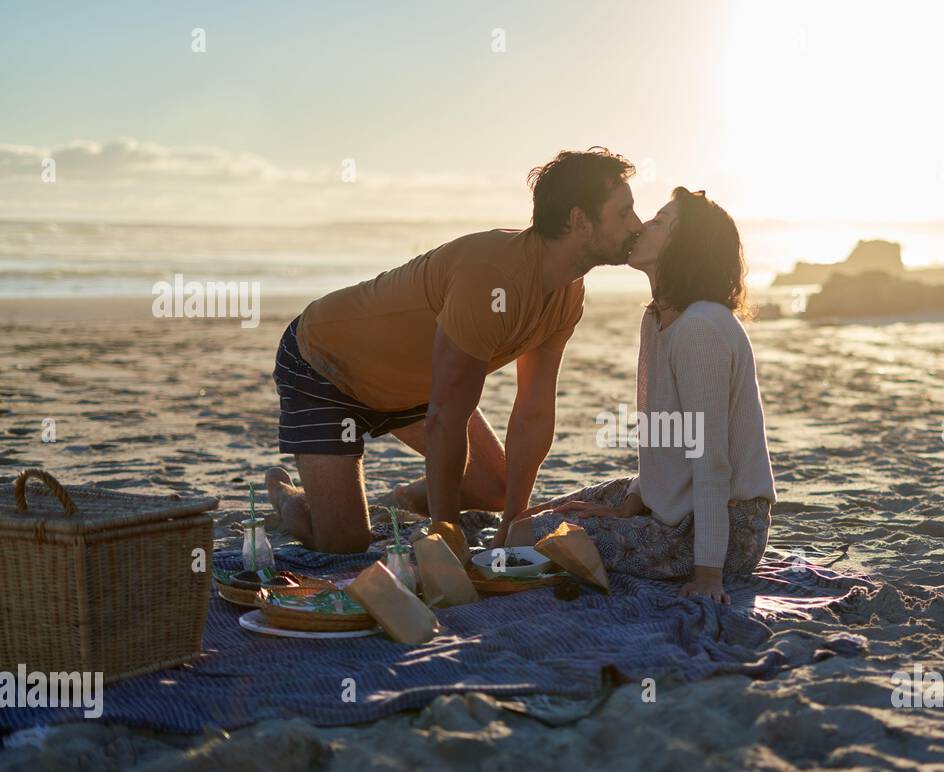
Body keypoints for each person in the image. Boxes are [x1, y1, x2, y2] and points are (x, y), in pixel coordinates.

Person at [264, 148, 641, 553]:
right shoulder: (492, 277)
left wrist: (513, 522)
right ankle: (289, 502)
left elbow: (533, 410)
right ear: (579, 220)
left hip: (418, 385)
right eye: (623, 213)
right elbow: (445, 418)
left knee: (497, 490)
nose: (637, 224)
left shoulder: (569, 288)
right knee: (344, 545)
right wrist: (447, 533)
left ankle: (406, 499)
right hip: (326, 366)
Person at [506, 187, 777, 603]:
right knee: (524, 523)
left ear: (685, 248)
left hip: (726, 528)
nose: (642, 226)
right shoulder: (657, 318)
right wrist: (632, 503)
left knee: (523, 538)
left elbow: (712, 461)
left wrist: (708, 574)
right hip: (671, 502)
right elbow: (663, 436)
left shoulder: (701, 328)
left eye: (659, 223)